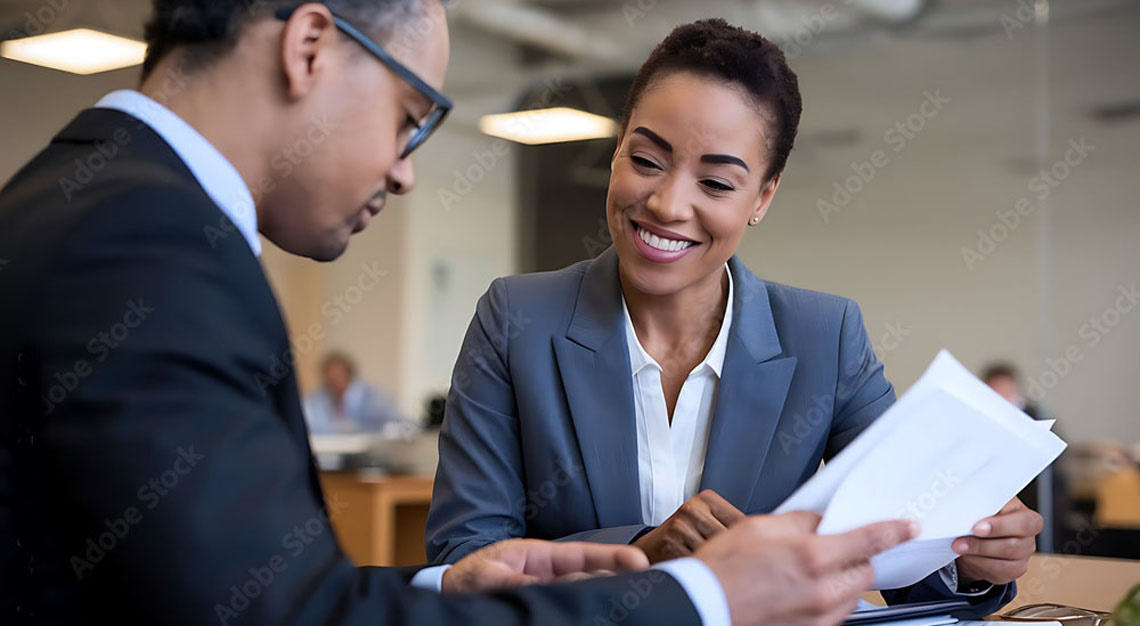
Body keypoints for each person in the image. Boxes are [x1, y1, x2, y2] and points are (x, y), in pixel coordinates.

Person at [0, 2, 918, 625]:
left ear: (761, 197)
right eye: (409, 116)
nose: (404, 171)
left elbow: (235, 595)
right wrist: (700, 600)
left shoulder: (88, 205)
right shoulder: (148, 248)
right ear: (308, 46)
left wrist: (445, 584)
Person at [426, 18, 1041, 617]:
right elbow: (464, 559)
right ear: (616, 153)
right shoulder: (517, 319)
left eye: (717, 183)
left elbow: (901, 551)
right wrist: (639, 550)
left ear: (762, 197)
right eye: (645, 160)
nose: (668, 204)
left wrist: (972, 558)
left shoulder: (825, 338)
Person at [303, 351, 409, 434]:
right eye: (330, 378)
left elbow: (396, 423)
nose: (334, 381)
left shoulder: (373, 397)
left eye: (338, 376)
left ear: (349, 374)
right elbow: (312, 423)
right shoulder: (319, 398)